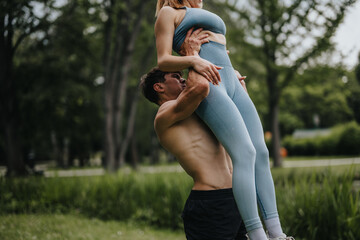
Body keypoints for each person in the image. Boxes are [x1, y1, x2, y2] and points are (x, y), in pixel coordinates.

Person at [154, 1, 294, 240]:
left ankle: (276, 232)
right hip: (210, 81)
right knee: (245, 153)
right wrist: (194, 60)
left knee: (260, 152)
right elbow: (163, 60)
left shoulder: (199, 9)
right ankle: (257, 234)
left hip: (229, 76)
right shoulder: (168, 13)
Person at [140, 30, 248, 240]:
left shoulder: (197, 110)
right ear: (159, 87)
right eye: (175, 76)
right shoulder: (165, 113)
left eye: (182, 76)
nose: (182, 80)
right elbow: (199, 87)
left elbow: (239, 116)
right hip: (211, 202)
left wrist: (229, 75)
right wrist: (194, 56)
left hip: (236, 198)